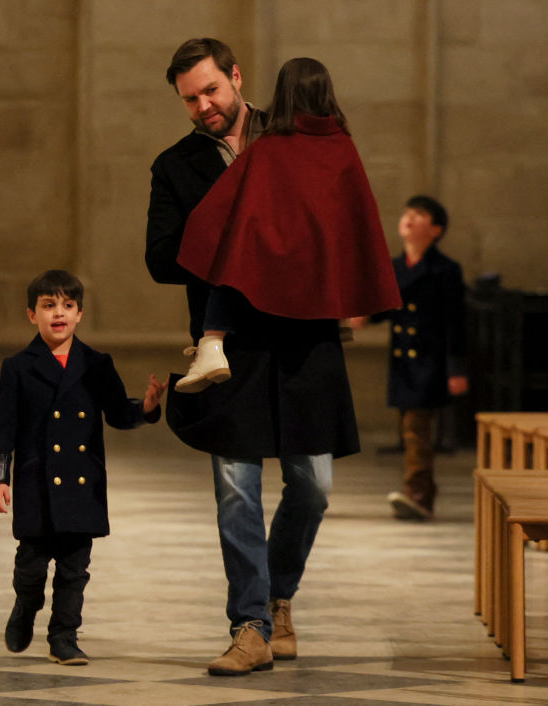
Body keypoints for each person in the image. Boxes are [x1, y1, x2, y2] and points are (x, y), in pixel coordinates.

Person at [147, 39, 377, 677]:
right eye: (190, 99)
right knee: (235, 492)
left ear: (236, 78)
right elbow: (160, 258)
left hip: (304, 340)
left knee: (315, 486)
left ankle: (280, 597)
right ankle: (249, 626)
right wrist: (233, 227)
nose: (202, 107)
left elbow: (338, 213)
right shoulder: (176, 165)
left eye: (210, 92)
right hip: (227, 348)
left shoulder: (293, 136)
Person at [173, 57, 401, 392]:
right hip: (318, 275)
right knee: (329, 240)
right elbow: (353, 221)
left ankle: (212, 343)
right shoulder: (342, 146)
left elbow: (225, 209)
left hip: (268, 271)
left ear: (284, 94)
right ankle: (334, 312)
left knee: (229, 245)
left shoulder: (271, 145)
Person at [0, 269, 166, 665]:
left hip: (82, 486)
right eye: (49, 306)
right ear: (32, 314)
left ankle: (63, 636)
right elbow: (3, 428)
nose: (59, 313)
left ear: (80, 313)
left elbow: (118, 412)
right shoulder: (17, 367)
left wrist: (147, 408)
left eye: (67, 305)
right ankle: (25, 607)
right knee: (30, 567)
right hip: (36, 483)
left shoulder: (96, 364)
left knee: (74, 570)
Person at [350, 195, 468, 521]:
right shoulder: (397, 267)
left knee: (416, 430)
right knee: (411, 430)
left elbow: (454, 322)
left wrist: (456, 368)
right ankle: (421, 491)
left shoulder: (445, 270)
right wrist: (366, 317)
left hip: (430, 362)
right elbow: (390, 306)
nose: (409, 219)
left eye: (419, 215)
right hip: (404, 363)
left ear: (436, 229)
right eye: (407, 213)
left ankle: (419, 493)